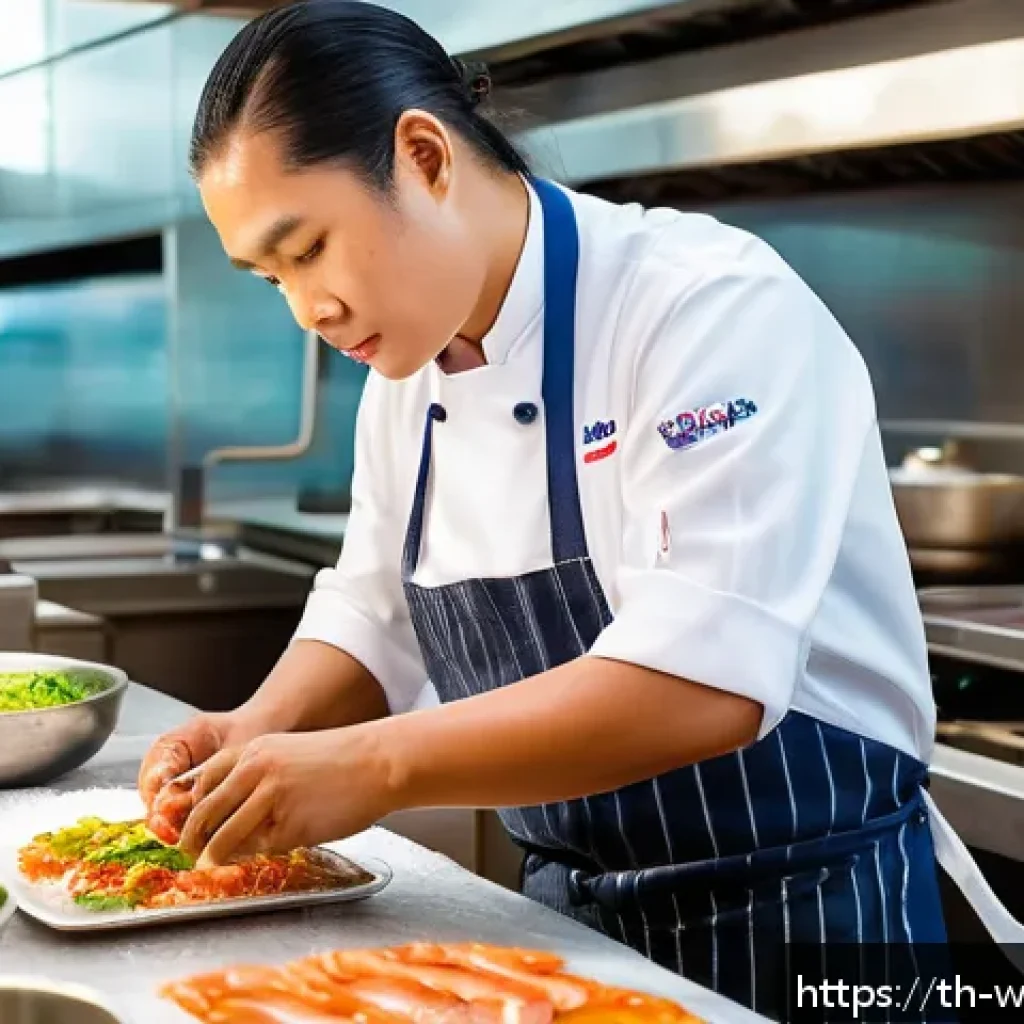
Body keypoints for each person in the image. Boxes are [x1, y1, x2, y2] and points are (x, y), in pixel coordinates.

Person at [138, 1, 1019, 1017]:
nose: (306, 309)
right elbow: (373, 613)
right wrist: (253, 736)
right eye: (269, 277)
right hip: (566, 935)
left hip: (810, 917)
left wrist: (373, 765)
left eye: (311, 248)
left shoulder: (705, 306)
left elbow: (706, 683)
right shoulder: (406, 376)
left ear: (423, 156)